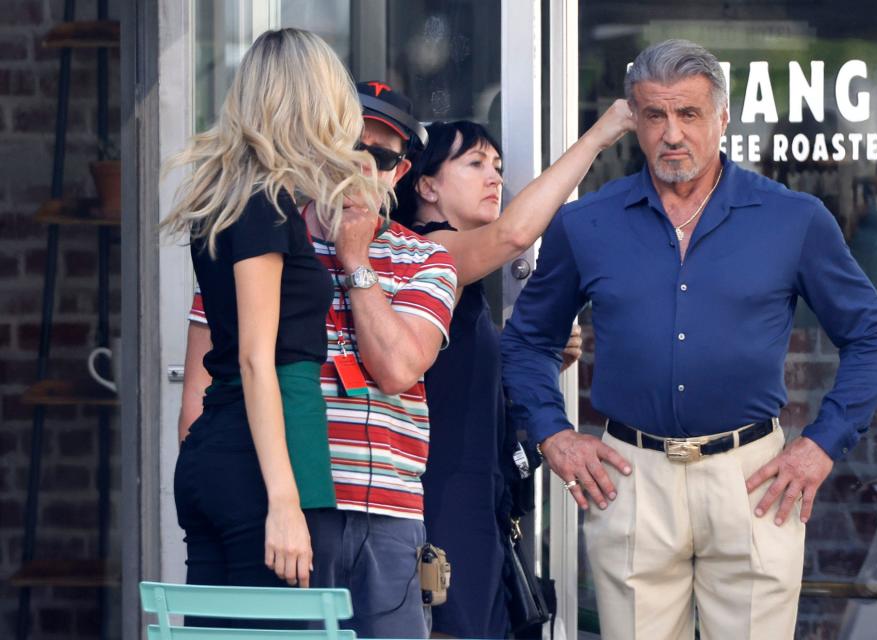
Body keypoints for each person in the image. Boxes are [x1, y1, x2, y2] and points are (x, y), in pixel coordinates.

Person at [500, 39, 877, 639]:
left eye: (688, 114)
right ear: (634, 119)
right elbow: (528, 341)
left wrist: (821, 445)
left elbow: (873, 336)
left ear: (722, 118)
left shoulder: (793, 219)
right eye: (654, 115)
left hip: (752, 479)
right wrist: (554, 436)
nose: (672, 134)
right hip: (630, 476)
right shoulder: (588, 223)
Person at [181, 80, 458, 638]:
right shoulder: (264, 242)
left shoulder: (425, 257)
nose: (360, 167)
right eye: (348, 147)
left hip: (388, 512)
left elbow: (399, 368)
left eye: (380, 157)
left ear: (399, 174)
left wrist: (357, 262)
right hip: (290, 503)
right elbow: (203, 393)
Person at [163, 28, 389, 623]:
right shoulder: (264, 205)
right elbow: (256, 359)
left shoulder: (229, 201)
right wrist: (284, 501)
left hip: (221, 448)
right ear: (317, 103)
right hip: (264, 451)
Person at [391, 103, 632, 638]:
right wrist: (601, 134)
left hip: (475, 494)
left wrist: (532, 354)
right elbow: (513, 236)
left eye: (498, 165)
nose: (495, 176)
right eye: (476, 163)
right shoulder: (425, 250)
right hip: (442, 497)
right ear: (426, 185)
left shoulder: (458, 278)